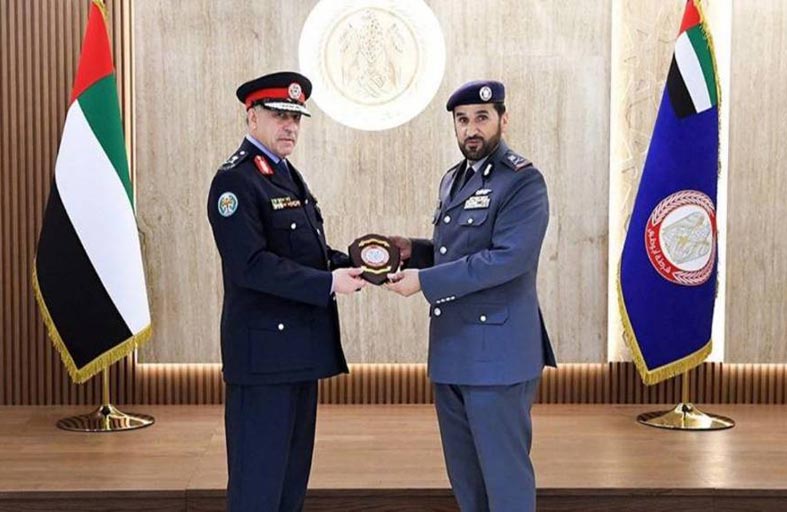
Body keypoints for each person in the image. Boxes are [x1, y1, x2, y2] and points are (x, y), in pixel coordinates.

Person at [386, 79, 557, 512]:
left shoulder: (522, 181)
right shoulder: (454, 178)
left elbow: (506, 260)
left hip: (498, 357)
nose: (471, 129)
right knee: (467, 482)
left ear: (503, 119)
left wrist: (424, 282)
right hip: (453, 352)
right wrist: (413, 251)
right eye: (462, 120)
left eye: (481, 118)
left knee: (505, 484)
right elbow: (456, 251)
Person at [207, 71, 366, 512]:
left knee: (290, 486)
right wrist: (328, 283)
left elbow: (303, 251)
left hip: (297, 353)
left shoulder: (283, 173)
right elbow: (250, 265)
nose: (290, 126)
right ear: (251, 117)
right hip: (263, 359)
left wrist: (352, 264)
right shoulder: (236, 181)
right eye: (279, 115)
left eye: (295, 118)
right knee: (258, 489)